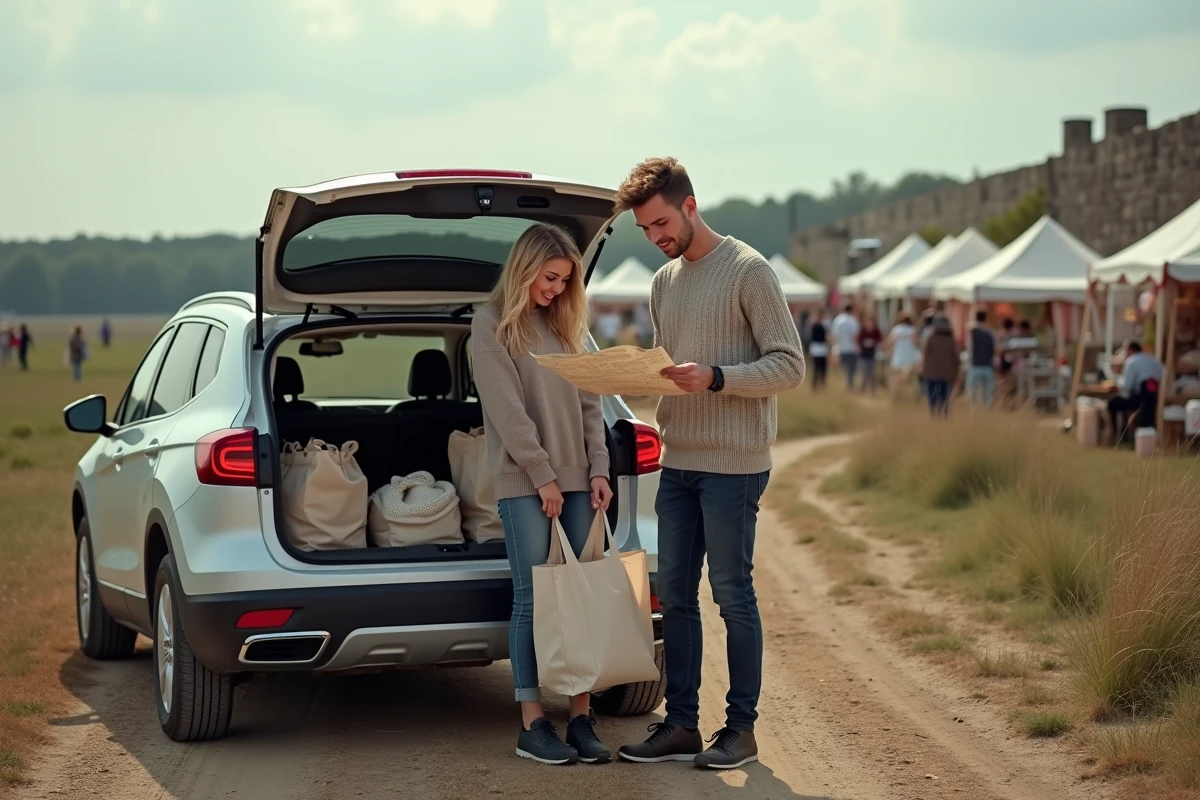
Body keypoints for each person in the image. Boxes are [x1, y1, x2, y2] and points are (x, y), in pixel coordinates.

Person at [611, 157, 805, 770]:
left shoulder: (750, 271)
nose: (656, 238)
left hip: (736, 462)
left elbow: (789, 366)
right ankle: (682, 725)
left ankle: (740, 730)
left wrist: (717, 378)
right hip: (680, 459)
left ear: (690, 206)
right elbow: (678, 370)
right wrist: (641, 377)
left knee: (731, 594)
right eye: (645, 229)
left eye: (662, 223)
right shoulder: (663, 282)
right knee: (674, 594)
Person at [470, 223, 615, 766]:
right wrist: (541, 475)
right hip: (527, 483)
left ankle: (580, 716)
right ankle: (533, 723)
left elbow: (590, 403)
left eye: (564, 281)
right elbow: (506, 410)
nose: (556, 289)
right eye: (549, 277)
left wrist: (598, 467)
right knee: (533, 601)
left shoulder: (565, 327)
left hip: (580, 480)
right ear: (524, 267)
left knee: (580, 598)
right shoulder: (490, 326)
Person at [1106, 340, 1164, 443]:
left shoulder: (1131, 361)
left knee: (1113, 403)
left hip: (1141, 397)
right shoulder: (1154, 360)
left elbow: (1127, 386)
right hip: (1154, 397)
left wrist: (1118, 381)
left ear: (1131, 350)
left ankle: (1116, 436)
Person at [921, 316, 959, 417]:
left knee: (933, 398)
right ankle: (943, 417)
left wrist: (923, 370)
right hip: (947, 375)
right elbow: (956, 358)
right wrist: (956, 372)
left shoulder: (931, 338)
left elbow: (925, 355)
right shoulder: (951, 340)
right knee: (944, 399)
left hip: (931, 374)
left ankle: (933, 416)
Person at [886, 314, 921, 401]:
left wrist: (890, 351)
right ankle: (912, 398)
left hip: (898, 359)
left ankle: (897, 397)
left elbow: (888, 342)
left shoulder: (896, 330)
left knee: (897, 381)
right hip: (911, 359)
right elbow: (917, 343)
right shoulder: (912, 330)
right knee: (911, 382)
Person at [966, 310, 997, 408]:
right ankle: (986, 413)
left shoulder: (972, 332)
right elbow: (994, 349)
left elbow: (969, 347)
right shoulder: (990, 332)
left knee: (972, 394)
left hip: (975, 366)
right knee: (987, 395)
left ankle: (973, 412)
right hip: (988, 366)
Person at [831, 304, 860, 389]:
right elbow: (855, 336)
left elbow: (834, 335)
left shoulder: (838, 319)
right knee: (852, 368)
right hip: (851, 348)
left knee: (843, 368)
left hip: (840, 348)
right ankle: (849, 383)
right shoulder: (853, 320)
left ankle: (843, 383)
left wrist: (834, 348)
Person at [857, 317, 882, 395]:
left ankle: (873, 389)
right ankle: (863, 387)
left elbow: (880, 340)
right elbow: (859, 340)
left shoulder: (876, 331)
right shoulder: (862, 331)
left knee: (872, 373)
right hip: (864, 354)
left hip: (872, 354)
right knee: (865, 372)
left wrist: (874, 343)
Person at [807, 309, 829, 391]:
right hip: (817, 348)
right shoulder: (816, 325)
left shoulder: (822, 325)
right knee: (817, 368)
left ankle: (821, 384)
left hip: (821, 347)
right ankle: (816, 384)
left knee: (823, 368)